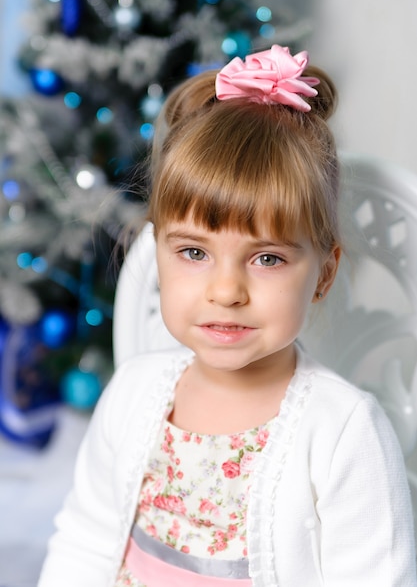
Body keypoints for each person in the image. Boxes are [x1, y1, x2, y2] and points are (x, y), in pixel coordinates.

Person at [38, 44, 416, 587]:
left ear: (324, 275)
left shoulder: (343, 431)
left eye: (267, 258)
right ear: (158, 253)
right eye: (194, 253)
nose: (226, 291)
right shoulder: (134, 392)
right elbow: (85, 543)